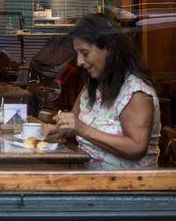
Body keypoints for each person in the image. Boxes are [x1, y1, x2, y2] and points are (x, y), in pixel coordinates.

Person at [43, 13, 160, 170]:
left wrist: (81, 128)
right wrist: (58, 130)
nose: (79, 62)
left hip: (127, 188)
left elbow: (136, 147)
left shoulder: (136, 92)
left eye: (84, 53)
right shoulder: (93, 86)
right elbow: (74, 125)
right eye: (77, 54)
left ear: (109, 49)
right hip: (90, 180)